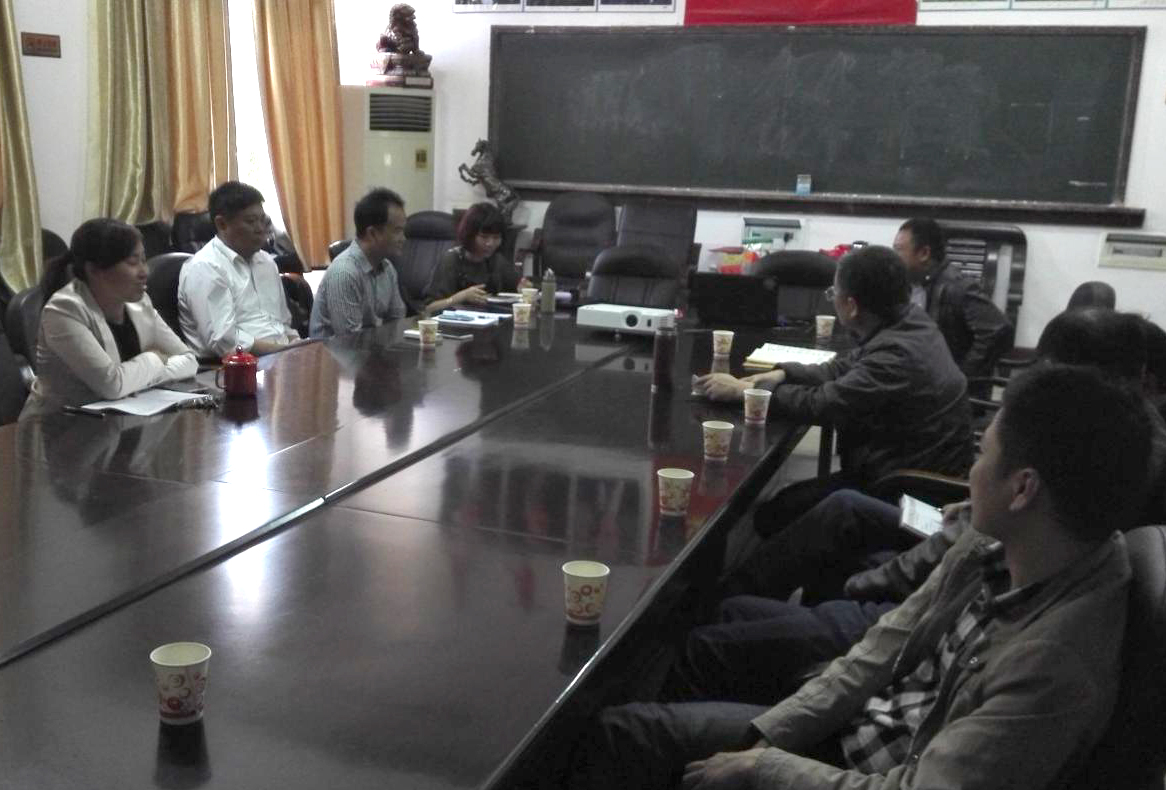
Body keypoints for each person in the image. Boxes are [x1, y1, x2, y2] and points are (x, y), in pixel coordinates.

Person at [573, 364, 1152, 790]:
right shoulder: (1003, 543)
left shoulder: (1056, 665)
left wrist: (764, 767)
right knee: (677, 702)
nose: (971, 472)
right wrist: (771, 733)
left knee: (625, 734)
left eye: (983, 456)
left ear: (1023, 489)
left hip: (867, 766)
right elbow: (887, 643)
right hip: (866, 723)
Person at [673, 306, 1166, 707]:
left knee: (831, 524)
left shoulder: (1097, 454)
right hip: (954, 542)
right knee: (841, 508)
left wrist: (872, 581)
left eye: (1048, 367)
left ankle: (736, 621)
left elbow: (976, 556)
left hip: (949, 590)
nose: (1038, 378)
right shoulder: (1090, 430)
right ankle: (732, 605)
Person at [696, 245, 972, 530]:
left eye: (833, 294)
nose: (832, 299)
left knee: (774, 515)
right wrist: (783, 373)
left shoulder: (896, 354)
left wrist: (746, 394)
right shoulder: (909, 322)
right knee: (782, 507)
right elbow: (845, 367)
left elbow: (824, 404)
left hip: (910, 492)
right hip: (908, 466)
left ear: (851, 306)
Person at [19, 218, 196, 418]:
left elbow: (189, 361)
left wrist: (141, 376)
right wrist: (156, 358)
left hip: (125, 418)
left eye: (143, 260)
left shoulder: (140, 303)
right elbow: (112, 385)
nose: (144, 272)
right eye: (133, 262)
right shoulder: (64, 310)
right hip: (62, 424)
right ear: (94, 270)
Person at [178, 180, 302, 357]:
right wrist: (282, 352)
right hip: (234, 366)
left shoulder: (266, 262)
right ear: (222, 224)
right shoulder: (205, 267)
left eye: (262, 220)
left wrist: (299, 344)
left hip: (280, 356)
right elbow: (223, 340)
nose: (260, 229)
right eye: (251, 221)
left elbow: (283, 324)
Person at [893, 218, 1013, 382]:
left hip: (942, 387)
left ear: (924, 253)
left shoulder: (958, 287)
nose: (894, 258)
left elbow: (999, 330)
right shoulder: (908, 283)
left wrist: (961, 375)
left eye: (898, 250)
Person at [310, 188, 408, 338]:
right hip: (333, 351)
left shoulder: (388, 269)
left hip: (371, 348)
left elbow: (397, 323)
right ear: (373, 233)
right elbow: (350, 342)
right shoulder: (344, 273)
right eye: (397, 231)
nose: (403, 239)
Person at [423, 202, 528, 315]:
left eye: (496, 237)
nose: (490, 243)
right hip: (455, 322)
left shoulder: (496, 260)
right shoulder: (451, 260)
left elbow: (518, 286)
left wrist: (523, 288)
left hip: (488, 320)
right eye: (484, 237)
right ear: (470, 235)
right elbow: (429, 309)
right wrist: (461, 297)